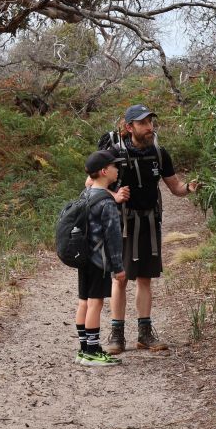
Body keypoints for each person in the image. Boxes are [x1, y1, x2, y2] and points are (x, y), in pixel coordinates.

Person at [104, 104, 198, 354]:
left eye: (150, 122)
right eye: (143, 123)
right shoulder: (114, 154)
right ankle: (117, 336)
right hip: (122, 224)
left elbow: (175, 187)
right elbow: (91, 184)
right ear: (129, 127)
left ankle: (144, 334)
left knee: (145, 278)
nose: (149, 127)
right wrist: (114, 195)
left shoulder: (159, 153)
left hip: (149, 221)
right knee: (120, 278)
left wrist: (189, 188)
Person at [75, 149, 127, 367]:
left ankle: (83, 350)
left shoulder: (85, 194)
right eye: (114, 166)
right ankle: (93, 352)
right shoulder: (107, 202)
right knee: (95, 303)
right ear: (104, 171)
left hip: (83, 258)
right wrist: (118, 268)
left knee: (84, 302)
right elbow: (113, 239)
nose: (118, 169)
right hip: (99, 261)